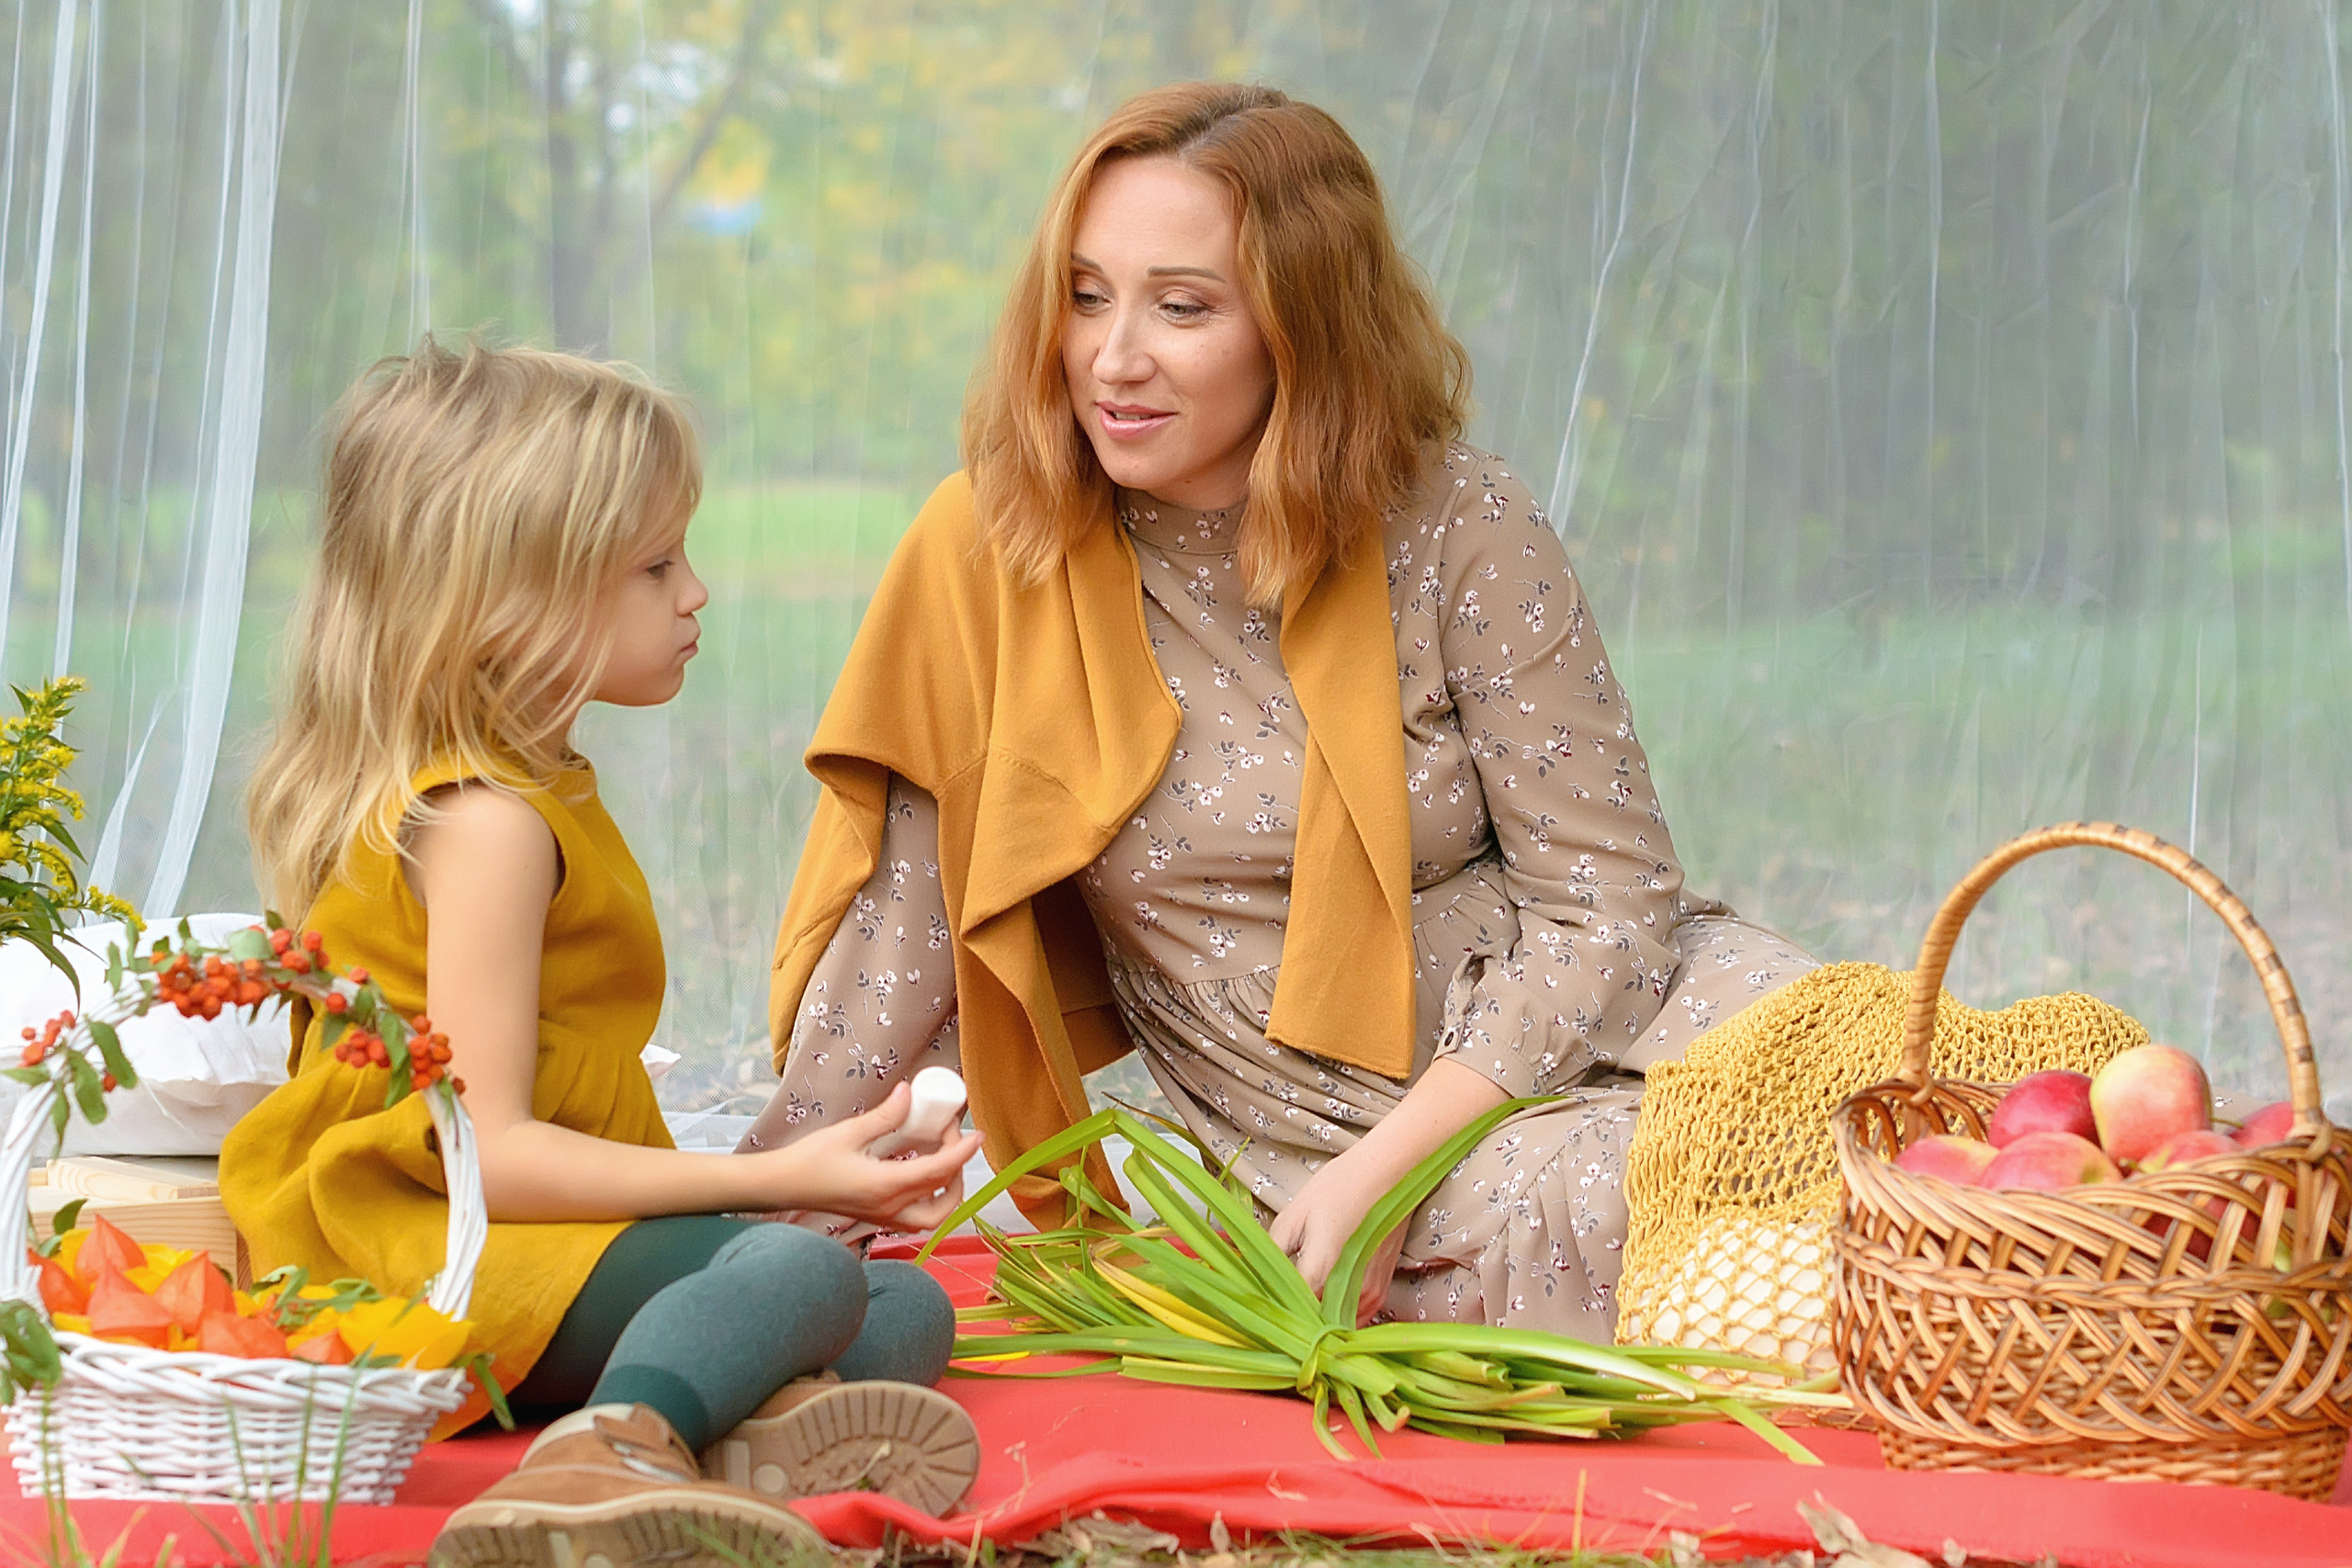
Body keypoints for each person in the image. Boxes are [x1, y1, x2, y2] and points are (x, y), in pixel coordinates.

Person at [749, 82, 1815, 1343]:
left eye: (1182, 306)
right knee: (1676, 1214)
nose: (1112, 357)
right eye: (1085, 295)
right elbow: (903, 928)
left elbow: (1612, 902)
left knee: (1934, 1104)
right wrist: (761, 1219)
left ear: (1302, 326)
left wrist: (1397, 1166)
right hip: (1333, 1126)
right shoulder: (996, 544)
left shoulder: (1458, 519)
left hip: (1605, 1013)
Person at [220, 339, 984, 1567]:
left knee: (903, 1306)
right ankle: (601, 1461)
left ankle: (718, 1434)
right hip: (429, 1250)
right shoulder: (488, 826)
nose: (697, 593)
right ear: (504, 602)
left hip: (513, 1238)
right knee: (798, 1269)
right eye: (654, 565)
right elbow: (493, 1155)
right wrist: (775, 1180)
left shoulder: (529, 792)